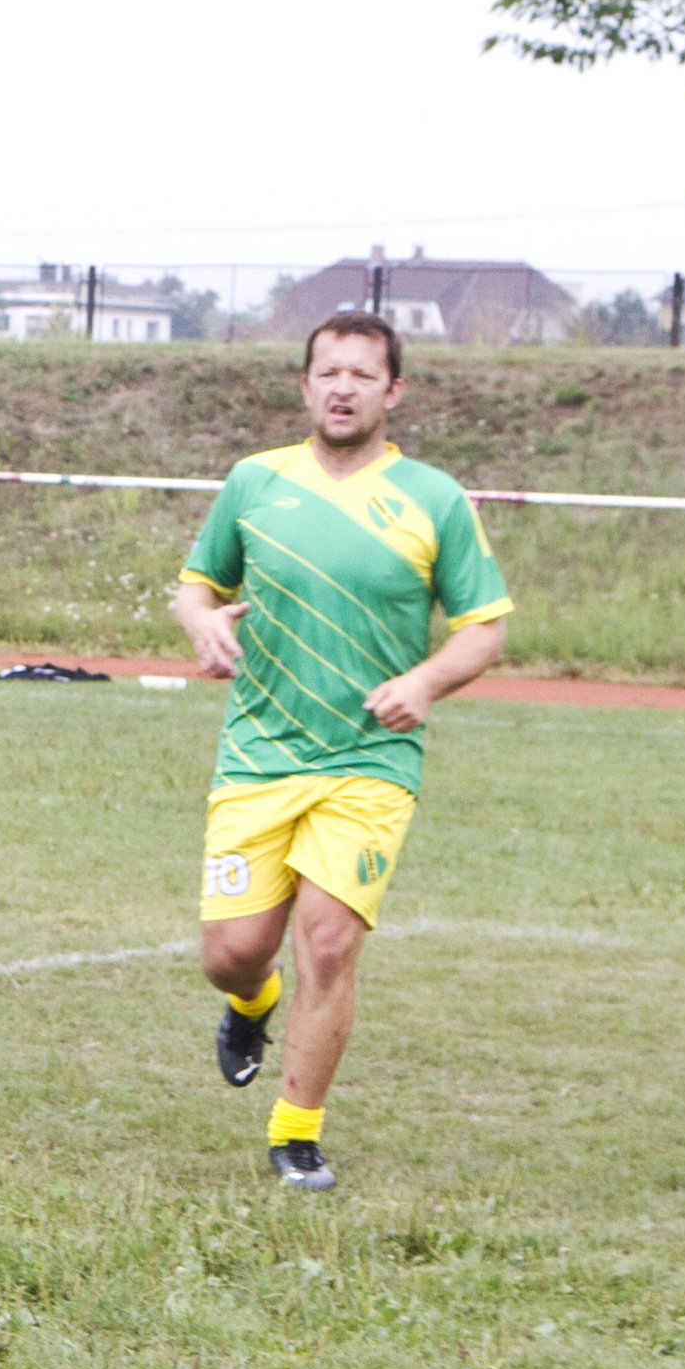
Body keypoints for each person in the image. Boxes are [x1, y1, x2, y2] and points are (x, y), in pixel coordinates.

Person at [171, 309, 510, 1193]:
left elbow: (484, 629)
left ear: (392, 391)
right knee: (231, 954)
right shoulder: (254, 482)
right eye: (329, 372)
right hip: (259, 752)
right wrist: (203, 619)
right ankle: (252, 1003)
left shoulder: (433, 498)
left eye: (363, 374)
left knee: (326, 943)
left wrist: (426, 682)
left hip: (370, 760)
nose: (344, 387)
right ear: (306, 384)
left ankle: (296, 1135)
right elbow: (195, 585)